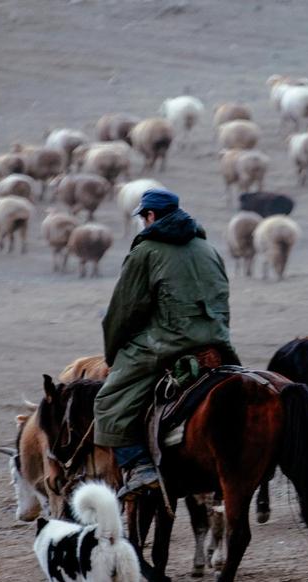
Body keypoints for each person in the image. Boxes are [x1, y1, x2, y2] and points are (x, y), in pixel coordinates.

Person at [93, 188, 238, 497]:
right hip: (217, 341)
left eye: (144, 218)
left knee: (108, 402)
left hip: (167, 343)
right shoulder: (208, 248)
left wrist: (113, 353)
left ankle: (140, 467)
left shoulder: (146, 252)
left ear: (151, 216)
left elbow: (125, 310)